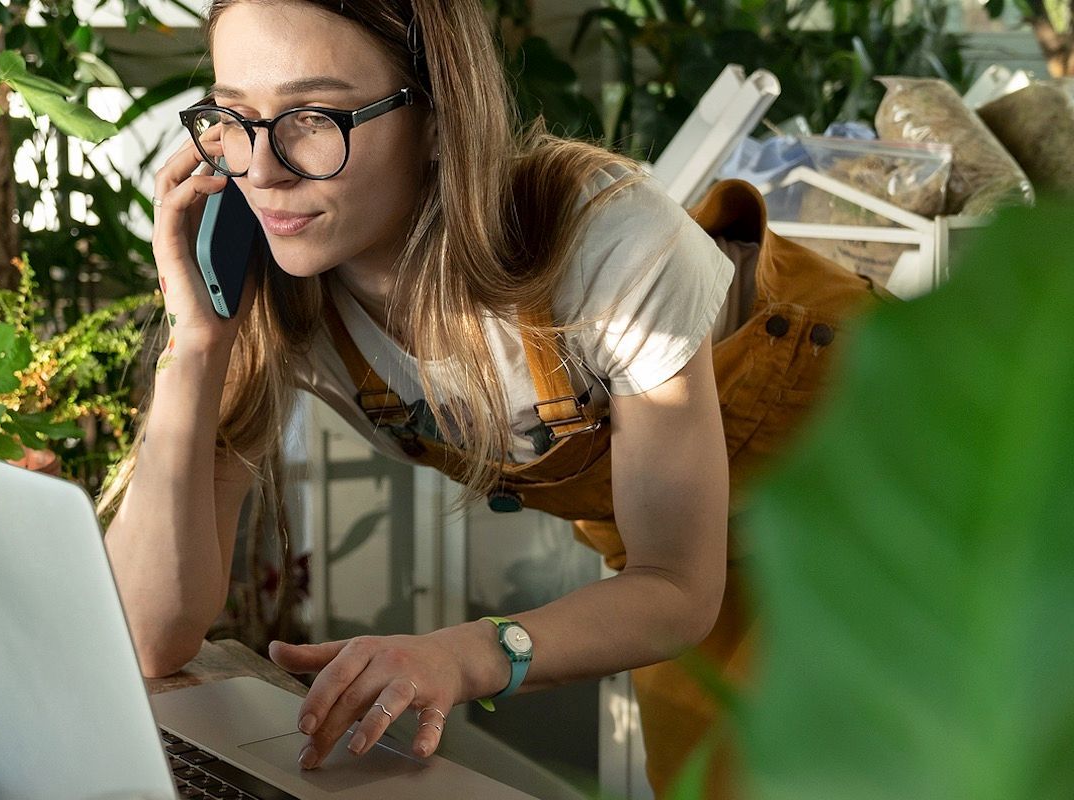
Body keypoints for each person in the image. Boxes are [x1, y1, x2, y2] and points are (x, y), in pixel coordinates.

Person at [98, 1, 879, 796]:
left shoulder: (609, 243)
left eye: (314, 117)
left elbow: (678, 586)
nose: (261, 170)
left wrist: (460, 654)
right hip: (682, 539)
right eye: (233, 117)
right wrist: (194, 349)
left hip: (875, 463)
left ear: (439, 117)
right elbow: (151, 636)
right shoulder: (276, 286)